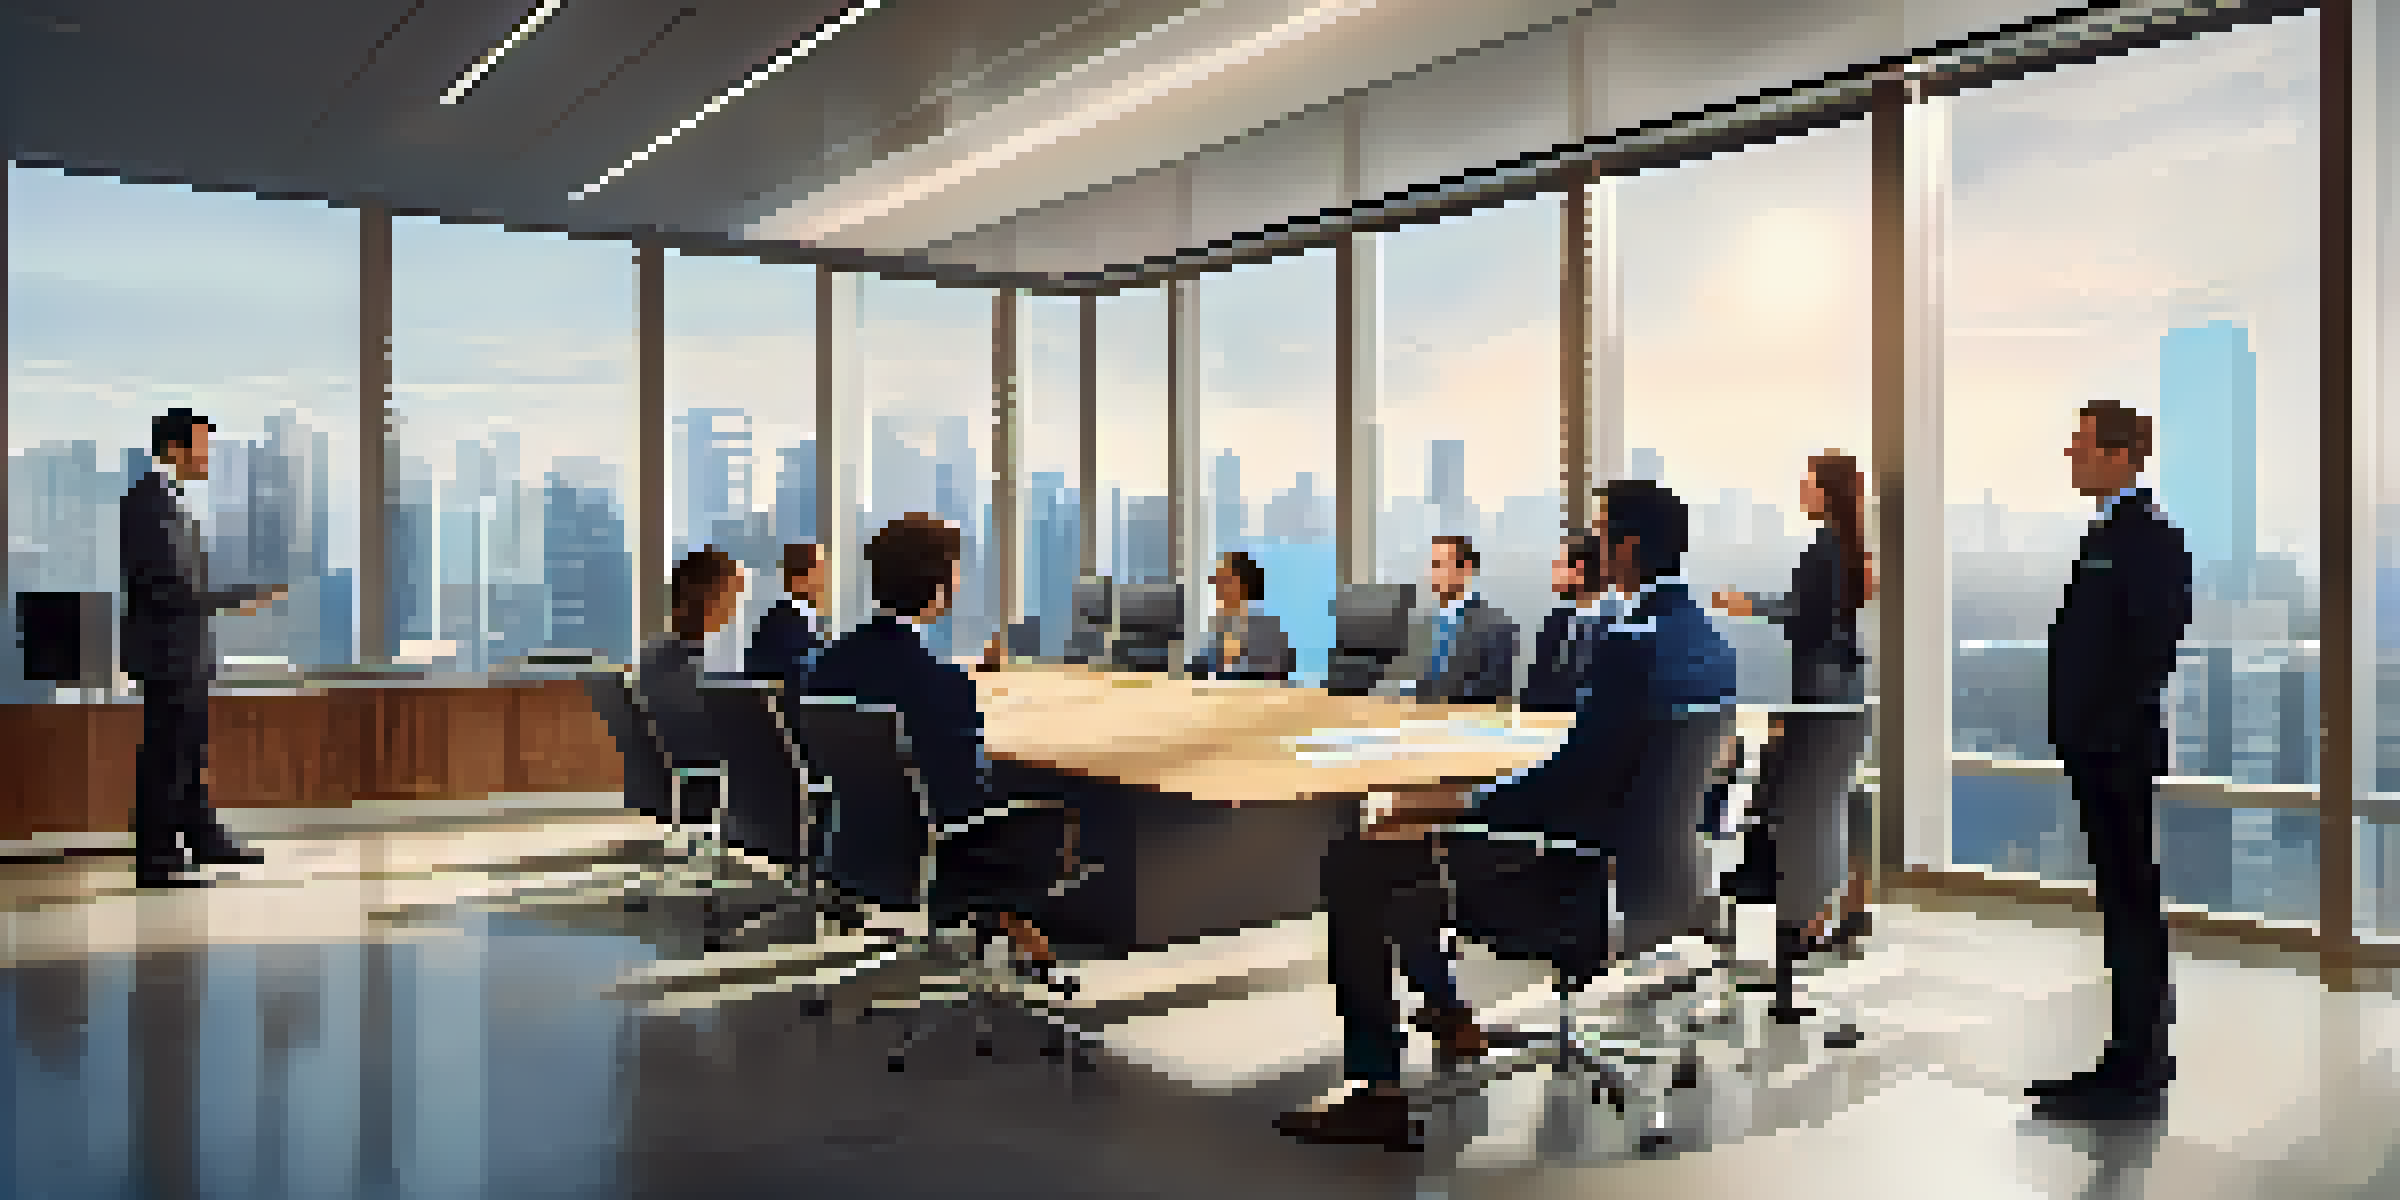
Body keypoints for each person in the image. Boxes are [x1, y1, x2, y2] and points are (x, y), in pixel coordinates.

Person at [1277, 479, 1736, 1150]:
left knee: (1358, 860)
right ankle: (1445, 1010)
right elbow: (1608, 774)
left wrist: (1469, 808)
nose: (1596, 544)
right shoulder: (1708, 644)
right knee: (1400, 853)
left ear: (1628, 548)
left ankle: (1376, 1088)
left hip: (1570, 880)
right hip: (1652, 884)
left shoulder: (1629, 643)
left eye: (1603, 532)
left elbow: (1573, 780)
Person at [803, 513, 1065, 977]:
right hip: (924, 863)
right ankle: (1021, 929)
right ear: (939, 586)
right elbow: (964, 798)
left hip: (850, 849)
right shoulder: (942, 683)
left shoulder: (826, 666)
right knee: (1040, 818)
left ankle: (1016, 930)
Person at [2023, 400, 2191, 1122]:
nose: (2071, 452)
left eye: (2083, 443)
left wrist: (2104, 728)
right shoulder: (2110, 532)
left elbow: (2151, 645)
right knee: (2122, 899)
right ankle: (2134, 1052)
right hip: (2100, 746)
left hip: (2115, 749)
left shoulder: (2145, 536)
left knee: (2130, 901)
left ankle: (2137, 1062)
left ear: (2120, 456)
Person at [1711, 452, 1878, 953]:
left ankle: (1810, 918)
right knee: (1840, 797)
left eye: (1807, 484)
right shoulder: (1849, 550)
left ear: (1826, 493)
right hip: (1843, 689)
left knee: (1807, 808)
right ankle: (1848, 906)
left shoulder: (1823, 550)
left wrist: (1751, 606)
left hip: (1822, 691)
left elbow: (1807, 620)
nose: (1801, 492)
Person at [120, 408, 285, 888]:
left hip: (184, 652)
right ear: (174, 450)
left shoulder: (169, 501)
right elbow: (167, 589)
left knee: (188, 754)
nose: (207, 457)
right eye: (200, 447)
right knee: (166, 759)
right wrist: (243, 597)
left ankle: (201, 838)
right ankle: (157, 862)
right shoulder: (148, 503)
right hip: (166, 653)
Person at [631, 547, 746, 823]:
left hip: (675, 780)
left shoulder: (652, 656)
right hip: (707, 780)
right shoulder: (705, 670)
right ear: (712, 599)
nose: (734, 608)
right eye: (733, 597)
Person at [1377, 535, 1517, 705]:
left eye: (1438, 565)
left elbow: (1487, 692)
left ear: (1465, 569)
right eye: (1431, 565)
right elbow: (1405, 673)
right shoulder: (1423, 623)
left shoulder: (1495, 626)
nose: (1430, 574)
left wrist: (1417, 696)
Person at [1519, 532, 1616, 712]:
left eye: (1560, 564)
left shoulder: (1619, 622)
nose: (1553, 570)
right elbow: (1531, 691)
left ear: (1579, 568)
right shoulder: (1555, 621)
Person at [1187, 550, 1293, 680]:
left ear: (1244, 584)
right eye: (1216, 578)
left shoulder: (1268, 629)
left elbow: (1274, 676)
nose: (1217, 584)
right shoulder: (1215, 625)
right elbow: (1196, 669)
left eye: (1225, 579)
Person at [745, 542, 828, 682]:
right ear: (801, 577)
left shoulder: (809, 616)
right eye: (822, 570)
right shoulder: (779, 621)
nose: (826, 578)